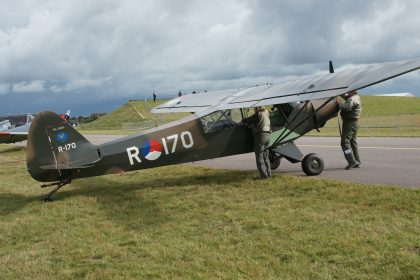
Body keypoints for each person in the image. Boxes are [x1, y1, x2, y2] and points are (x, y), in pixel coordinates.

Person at [242, 106, 272, 179]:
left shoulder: (258, 114)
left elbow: (248, 120)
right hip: (268, 135)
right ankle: (268, 174)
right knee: (266, 156)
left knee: (259, 157)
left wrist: (243, 121)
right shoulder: (266, 113)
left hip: (261, 136)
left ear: (257, 108)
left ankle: (264, 176)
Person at [337, 90, 362, 170]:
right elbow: (346, 96)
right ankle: (357, 161)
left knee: (344, 142)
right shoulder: (354, 97)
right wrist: (338, 92)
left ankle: (351, 161)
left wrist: (339, 103)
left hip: (350, 123)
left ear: (352, 91)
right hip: (353, 123)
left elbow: (346, 107)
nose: (347, 92)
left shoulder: (353, 99)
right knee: (353, 142)